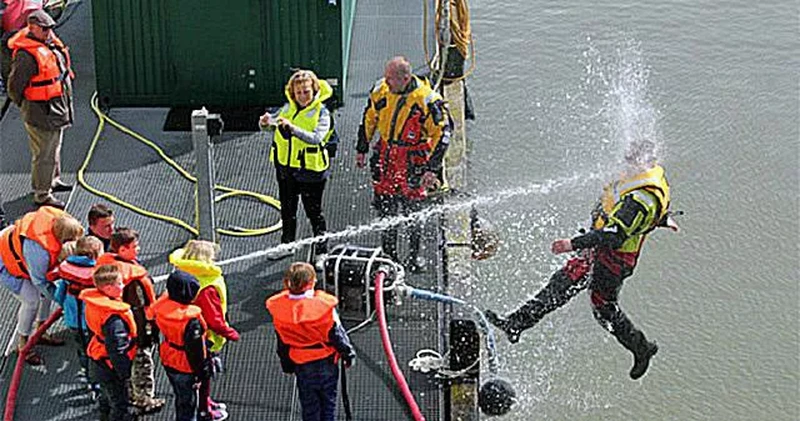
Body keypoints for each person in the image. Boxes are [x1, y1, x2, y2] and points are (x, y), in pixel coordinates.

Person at [485, 140, 677, 380]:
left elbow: (615, 235)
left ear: (644, 163)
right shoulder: (637, 179)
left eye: (630, 161)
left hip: (613, 260)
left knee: (603, 308)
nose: (624, 164)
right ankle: (515, 324)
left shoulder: (641, 197)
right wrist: (662, 219)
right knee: (561, 283)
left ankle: (642, 348)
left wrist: (572, 244)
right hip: (597, 249)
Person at [356, 56, 452, 272]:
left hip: (413, 159)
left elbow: (443, 133)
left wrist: (432, 169)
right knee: (386, 210)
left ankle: (414, 255)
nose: (386, 81)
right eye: (386, 76)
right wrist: (362, 148)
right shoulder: (381, 90)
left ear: (406, 78)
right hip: (386, 156)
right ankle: (389, 256)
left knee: (413, 212)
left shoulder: (427, 100)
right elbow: (369, 118)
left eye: (391, 78)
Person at [259, 69, 339, 257]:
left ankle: (321, 252)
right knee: (288, 210)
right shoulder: (287, 108)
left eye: (306, 92)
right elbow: (273, 127)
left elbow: (317, 138)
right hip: (285, 168)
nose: (302, 96)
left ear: (314, 91)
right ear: (292, 93)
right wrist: (264, 124)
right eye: (298, 93)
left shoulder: (322, 113)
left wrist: (293, 129)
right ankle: (287, 245)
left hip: (310, 170)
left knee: (314, 213)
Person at [266, 262, 356, 421]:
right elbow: (337, 336)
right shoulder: (323, 308)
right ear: (311, 283)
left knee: (309, 406)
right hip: (326, 361)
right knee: (328, 402)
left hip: (301, 364)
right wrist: (348, 355)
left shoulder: (280, 311)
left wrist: (287, 365)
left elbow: (282, 344)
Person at [7, 9, 74, 208]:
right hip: (40, 112)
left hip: (56, 109)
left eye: (50, 28)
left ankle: (53, 180)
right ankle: (42, 194)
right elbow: (15, 86)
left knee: (54, 147)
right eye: (44, 29)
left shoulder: (49, 44)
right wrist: (26, 105)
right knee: (43, 153)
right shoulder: (26, 56)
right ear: (32, 28)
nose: (48, 32)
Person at [0, 206, 82, 365]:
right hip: (5, 259)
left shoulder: (62, 222)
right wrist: (63, 301)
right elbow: (39, 281)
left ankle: (41, 331)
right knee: (32, 300)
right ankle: (23, 343)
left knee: (46, 292)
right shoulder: (40, 253)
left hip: (21, 252)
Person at [96, 227, 165, 413]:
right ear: (122, 250)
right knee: (142, 363)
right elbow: (138, 308)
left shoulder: (107, 268)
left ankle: (117, 397)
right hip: (135, 330)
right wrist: (148, 329)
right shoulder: (131, 282)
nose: (139, 249)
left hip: (116, 335)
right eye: (134, 246)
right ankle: (143, 399)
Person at [169, 240, 238, 420]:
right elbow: (214, 318)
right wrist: (230, 333)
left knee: (199, 379)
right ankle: (204, 409)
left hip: (182, 339)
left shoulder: (180, 276)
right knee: (203, 376)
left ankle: (205, 402)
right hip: (205, 338)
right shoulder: (207, 287)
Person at [150, 270, 223, 421]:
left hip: (169, 357)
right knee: (188, 404)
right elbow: (195, 352)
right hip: (186, 364)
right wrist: (202, 373)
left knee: (181, 395)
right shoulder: (191, 321)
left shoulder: (161, 309)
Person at [81, 264, 137, 421]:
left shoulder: (95, 305)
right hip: (109, 366)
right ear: (107, 288)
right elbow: (117, 350)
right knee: (120, 403)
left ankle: (104, 416)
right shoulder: (114, 319)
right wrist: (125, 373)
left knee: (106, 397)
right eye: (119, 283)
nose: (123, 285)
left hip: (97, 358)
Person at [51, 235, 104, 397]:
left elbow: (58, 297)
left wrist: (68, 306)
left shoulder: (67, 276)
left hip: (73, 323)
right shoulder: (97, 275)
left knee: (83, 352)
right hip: (92, 324)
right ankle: (100, 383)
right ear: (95, 255)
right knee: (97, 353)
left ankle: (90, 380)